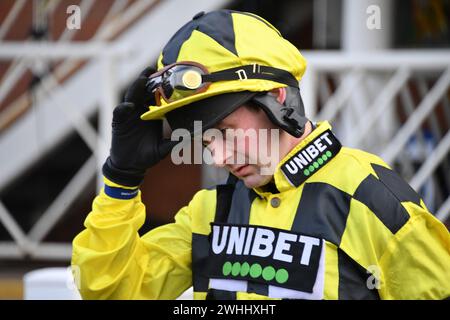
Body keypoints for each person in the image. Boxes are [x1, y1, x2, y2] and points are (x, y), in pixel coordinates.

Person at [72, 10, 450, 300]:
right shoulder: (208, 211)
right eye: (205, 141)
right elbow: (110, 290)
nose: (218, 158)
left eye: (225, 133)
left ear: (277, 101)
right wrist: (121, 181)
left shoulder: (372, 197)